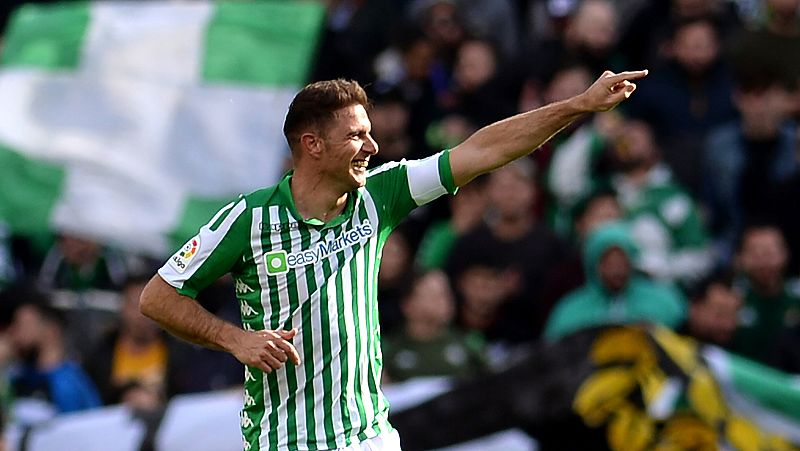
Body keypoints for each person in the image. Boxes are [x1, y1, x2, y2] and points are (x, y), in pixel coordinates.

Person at [139, 70, 648, 451]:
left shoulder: (381, 195)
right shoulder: (248, 219)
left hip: (370, 436)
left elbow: (483, 151)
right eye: (356, 135)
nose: (372, 145)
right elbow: (158, 296)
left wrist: (578, 106)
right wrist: (236, 339)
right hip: (288, 440)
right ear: (311, 145)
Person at [544, 221, 687, 342]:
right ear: (594, 265)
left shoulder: (664, 301)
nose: (617, 270)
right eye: (608, 263)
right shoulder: (570, 310)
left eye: (622, 262)